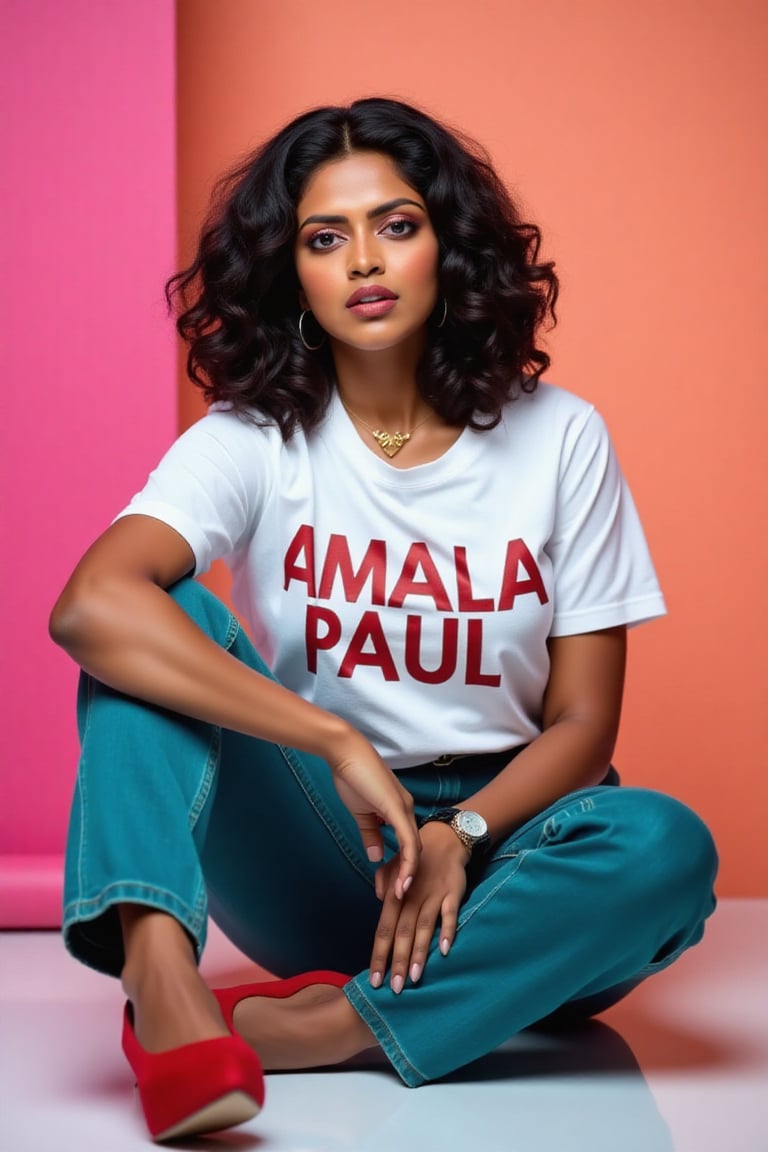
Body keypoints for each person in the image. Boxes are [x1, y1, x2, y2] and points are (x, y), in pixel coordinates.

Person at [50, 97, 718, 1143]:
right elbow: (91, 602)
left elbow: (586, 728)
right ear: (295, 276)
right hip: (323, 840)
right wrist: (330, 737)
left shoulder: (561, 439)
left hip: (510, 869)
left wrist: (463, 831)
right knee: (147, 623)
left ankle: (333, 1026)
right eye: (327, 238)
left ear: (448, 248)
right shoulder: (257, 440)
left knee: (664, 845)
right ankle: (161, 973)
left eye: (396, 225)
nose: (365, 259)